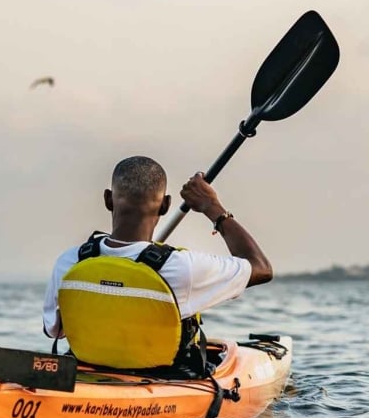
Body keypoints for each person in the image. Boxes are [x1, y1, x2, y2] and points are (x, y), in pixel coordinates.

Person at [42, 156, 273, 372]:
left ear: (108, 199)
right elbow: (261, 268)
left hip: (87, 379)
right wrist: (212, 207)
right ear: (165, 205)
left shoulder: (70, 261)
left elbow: (53, 329)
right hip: (162, 386)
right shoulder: (182, 268)